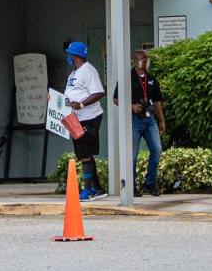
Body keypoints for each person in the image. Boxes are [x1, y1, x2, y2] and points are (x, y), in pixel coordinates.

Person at [113, 49, 167, 197]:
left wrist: (161, 120)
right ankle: (132, 186)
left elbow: (157, 101)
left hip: (150, 119)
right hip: (134, 120)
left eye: (147, 58)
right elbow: (116, 99)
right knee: (133, 155)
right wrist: (131, 106)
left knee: (156, 149)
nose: (146, 60)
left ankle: (149, 183)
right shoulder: (127, 78)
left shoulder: (151, 78)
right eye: (144, 58)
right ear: (136, 61)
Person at [64, 41, 107, 201]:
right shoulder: (74, 72)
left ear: (75, 55)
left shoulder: (88, 71)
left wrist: (81, 104)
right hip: (76, 118)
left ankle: (88, 190)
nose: (68, 56)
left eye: (70, 53)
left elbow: (98, 92)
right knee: (83, 153)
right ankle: (97, 189)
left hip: (89, 117)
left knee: (85, 154)